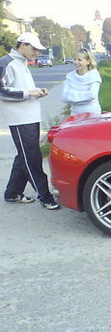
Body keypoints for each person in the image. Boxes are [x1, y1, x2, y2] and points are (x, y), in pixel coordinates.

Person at [0, 33, 59, 209]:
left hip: (30, 117)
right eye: (34, 49)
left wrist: (35, 91)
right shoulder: (6, 62)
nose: (36, 53)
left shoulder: (21, 62)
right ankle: (45, 196)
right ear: (23, 45)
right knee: (31, 158)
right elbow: (1, 91)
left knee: (24, 156)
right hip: (19, 119)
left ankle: (12, 193)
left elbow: (19, 88)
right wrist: (28, 93)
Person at [61, 48, 102, 115]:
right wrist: (85, 97)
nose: (76, 62)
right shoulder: (70, 76)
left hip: (92, 115)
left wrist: (72, 95)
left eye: (79, 60)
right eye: (75, 59)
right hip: (75, 115)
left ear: (88, 61)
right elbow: (64, 98)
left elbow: (92, 95)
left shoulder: (94, 75)